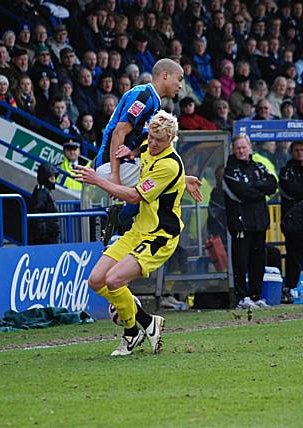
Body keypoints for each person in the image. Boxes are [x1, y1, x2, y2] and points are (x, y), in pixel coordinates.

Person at [74, 111, 184, 356]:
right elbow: (141, 152)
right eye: (152, 137)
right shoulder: (147, 145)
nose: (153, 144)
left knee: (114, 281)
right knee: (96, 280)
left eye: (160, 140)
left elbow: (135, 195)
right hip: (137, 230)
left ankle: (131, 332)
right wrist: (130, 153)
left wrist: (98, 180)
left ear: (171, 139)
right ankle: (145, 320)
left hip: (159, 236)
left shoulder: (169, 165)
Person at [94, 58, 183, 239]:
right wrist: (114, 175)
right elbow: (119, 133)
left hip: (123, 162)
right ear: (165, 75)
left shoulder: (154, 102)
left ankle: (122, 222)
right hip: (110, 164)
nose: (180, 85)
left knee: (163, 180)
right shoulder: (143, 97)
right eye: (179, 78)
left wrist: (133, 152)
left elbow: (137, 140)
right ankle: (121, 218)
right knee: (163, 181)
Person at [223, 134, 278, 309]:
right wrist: (260, 189)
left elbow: (272, 185)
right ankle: (242, 297)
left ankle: (256, 295)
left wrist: (255, 187)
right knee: (241, 261)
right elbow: (242, 192)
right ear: (233, 149)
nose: (241, 151)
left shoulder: (259, 166)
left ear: (250, 147)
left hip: (259, 222)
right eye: (238, 148)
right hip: (241, 223)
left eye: (243, 147)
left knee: (258, 260)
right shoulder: (230, 170)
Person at [28, 162, 59, 245]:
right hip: (44, 239)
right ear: (44, 178)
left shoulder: (44, 190)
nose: (54, 180)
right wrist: (45, 234)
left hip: (48, 236)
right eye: (51, 178)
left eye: (54, 177)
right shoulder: (41, 191)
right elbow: (37, 213)